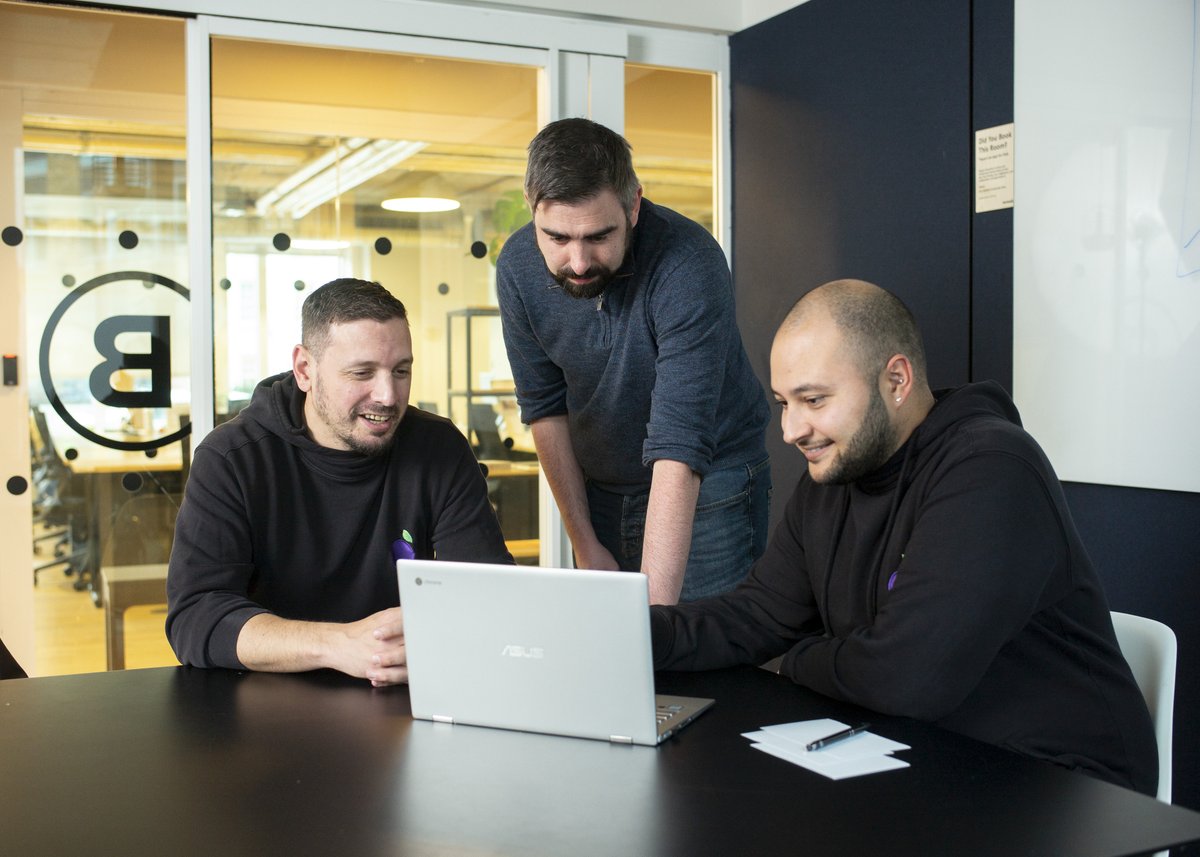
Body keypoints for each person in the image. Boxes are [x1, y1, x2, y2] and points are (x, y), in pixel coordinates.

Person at [651, 279, 1158, 794]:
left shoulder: (992, 469)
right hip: (928, 752)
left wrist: (798, 658)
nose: (792, 429)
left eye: (814, 399)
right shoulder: (834, 474)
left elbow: (906, 681)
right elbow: (756, 614)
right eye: (785, 402)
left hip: (1062, 783)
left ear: (896, 379)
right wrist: (633, 634)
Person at [166, 278, 511, 686]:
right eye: (361, 372)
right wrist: (338, 644)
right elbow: (197, 616)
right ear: (305, 370)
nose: (387, 395)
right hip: (269, 705)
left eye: (401, 371)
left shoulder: (438, 447)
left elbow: (488, 595)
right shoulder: (232, 457)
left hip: (399, 695)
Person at [497, 117, 771, 606]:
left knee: (699, 652)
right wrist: (583, 541)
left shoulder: (689, 264)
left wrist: (653, 621)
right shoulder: (517, 265)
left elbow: (680, 443)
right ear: (532, 211)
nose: (578, 263)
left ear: (634, 205)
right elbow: (544, 407)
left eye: (599, 237)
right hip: (601, 487)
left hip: (710, 481)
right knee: (612, 654)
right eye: (557, 238)